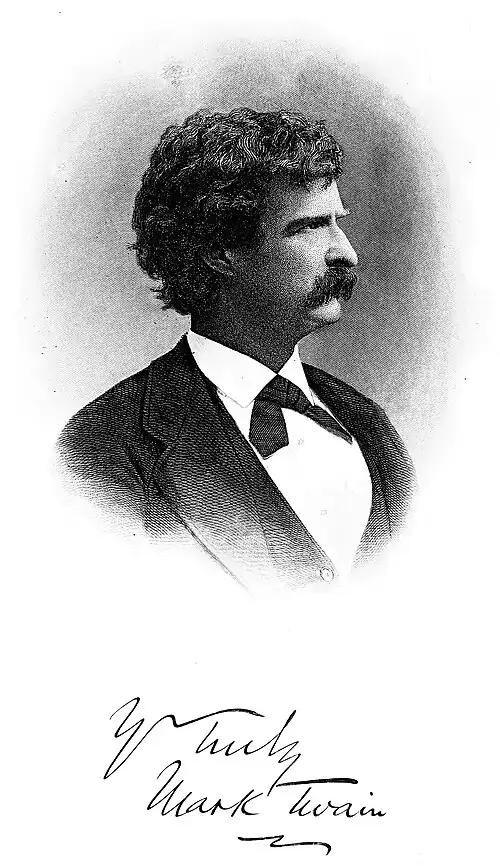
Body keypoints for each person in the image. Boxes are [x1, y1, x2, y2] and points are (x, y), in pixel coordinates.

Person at [57, 108, 415, 590]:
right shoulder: (101, 449)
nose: (346, 252)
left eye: (339, 223)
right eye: (310, 227)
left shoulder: (370, 425)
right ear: (221, 251)